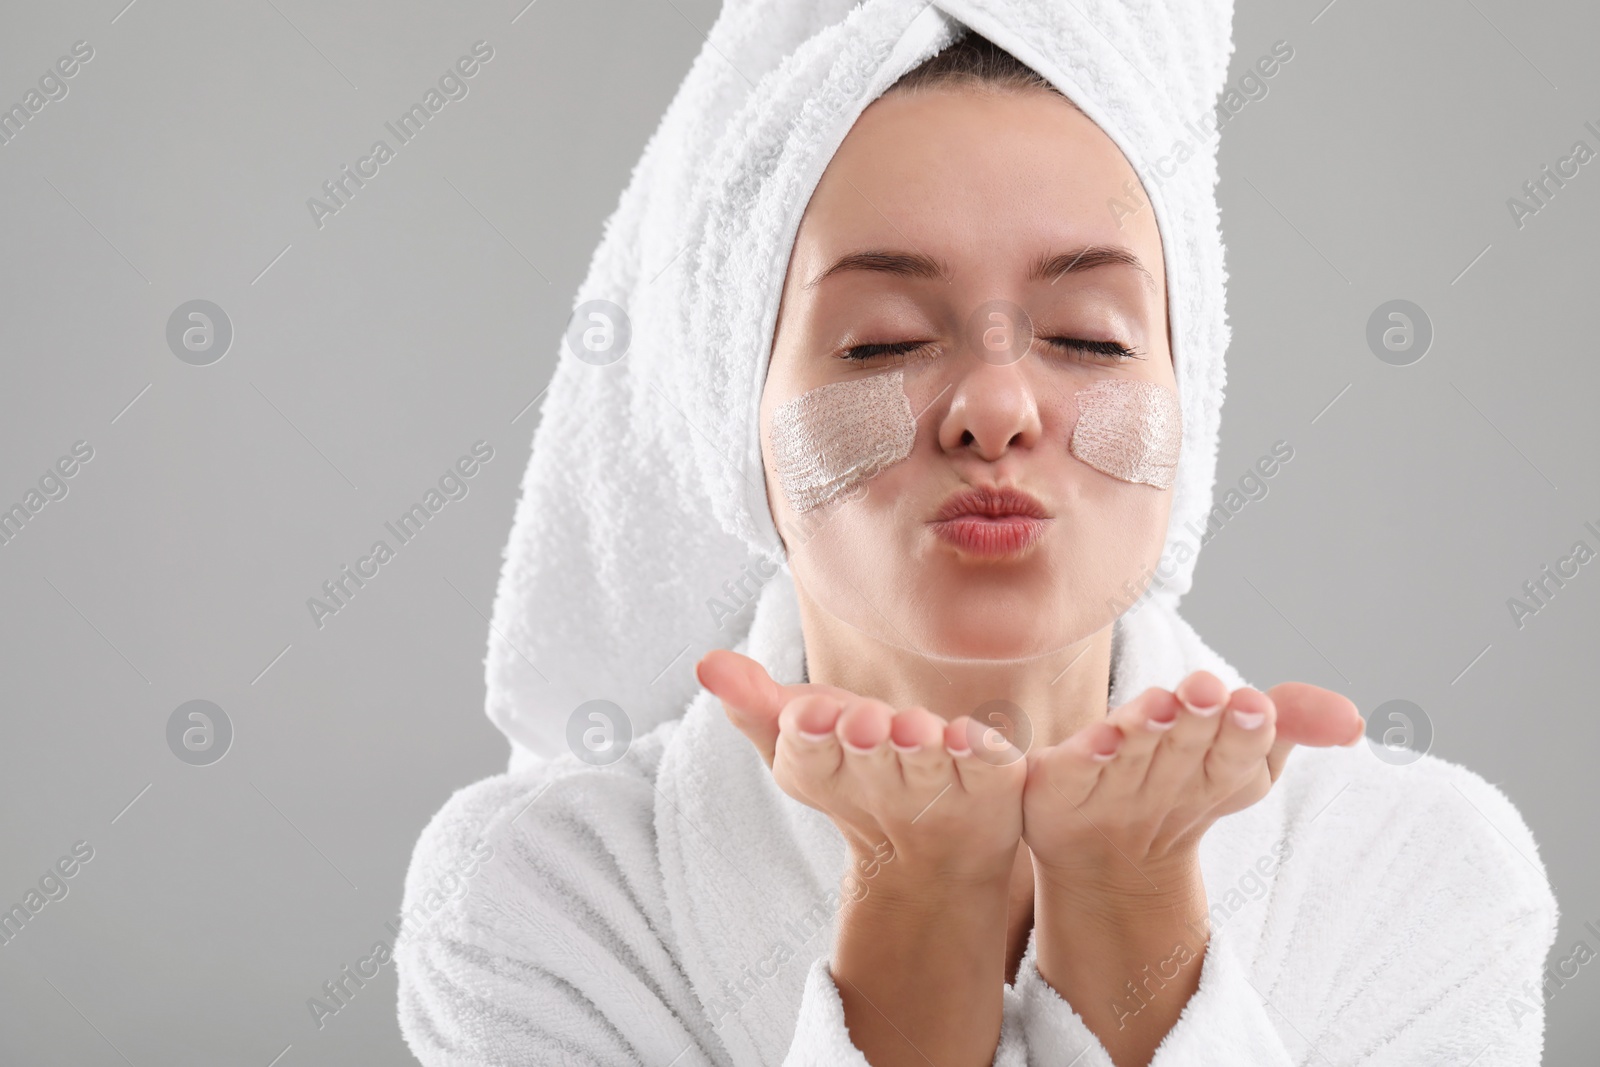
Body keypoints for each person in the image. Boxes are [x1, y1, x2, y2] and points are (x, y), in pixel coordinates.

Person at [395, 5, 1558, 1065]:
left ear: (1187, 393)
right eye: (882, 340)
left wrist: (1134, 916)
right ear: (729, 412)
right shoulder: (543, 897)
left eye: (1091, 339)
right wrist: (913, 920)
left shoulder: (1423, 877)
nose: (994, 408)